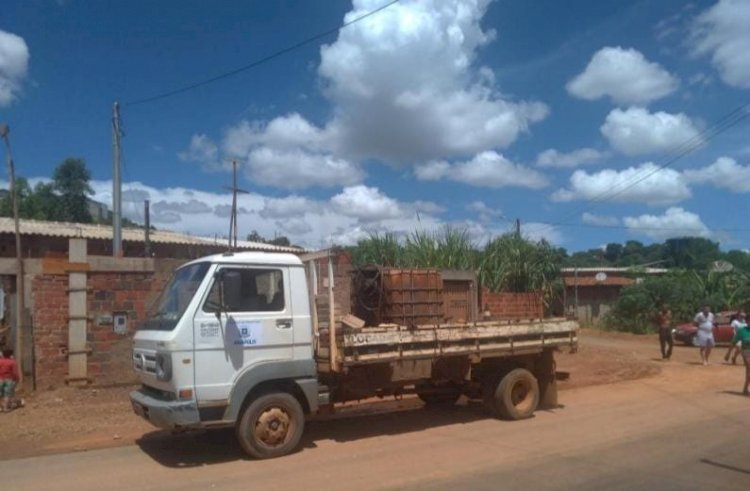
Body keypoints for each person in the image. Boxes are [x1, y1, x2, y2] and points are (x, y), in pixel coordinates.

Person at [731, 322, 750, 395]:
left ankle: (745, 388)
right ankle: (745, 389)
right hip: (746, 352)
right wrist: (728, 353)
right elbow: (734, 341)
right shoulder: (742, 331)